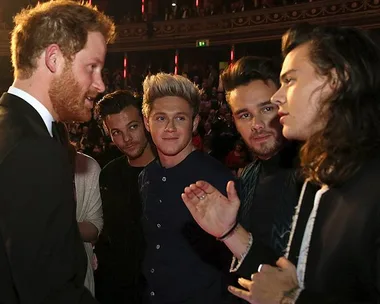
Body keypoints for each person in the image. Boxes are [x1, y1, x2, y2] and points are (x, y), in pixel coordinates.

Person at [225, 24, 380, 303]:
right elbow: (290, 279)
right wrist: (227, 231)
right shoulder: (321, 178)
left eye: (291, 80)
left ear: (336, 80)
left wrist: (289, 300)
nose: (278, 97)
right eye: (244, 115)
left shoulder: (369, 185)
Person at [0, 1, 115, 302]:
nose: (100, 84)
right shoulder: (35, 150)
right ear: (54, 59)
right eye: (92, 67)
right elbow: (49, 291)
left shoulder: (11, 127)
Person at [181, 56, 300, 284]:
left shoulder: (320, 174)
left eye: (266, 108)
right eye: (244, 115)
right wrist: (227, 233)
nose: (256, 124)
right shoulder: (246, 178)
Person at [139, 73, 237, 304]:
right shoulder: (146, 176)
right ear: (146, 122)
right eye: (160, 118)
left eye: (180, 118)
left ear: (194, 123)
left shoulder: (218, 179)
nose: (170, 127)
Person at [94, 90, 155, 304]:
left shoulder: (171, 170)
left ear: (146, 122)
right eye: (116, 132)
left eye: (133, 127)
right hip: (117, 289)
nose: (127, 139)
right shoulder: (109, 174)